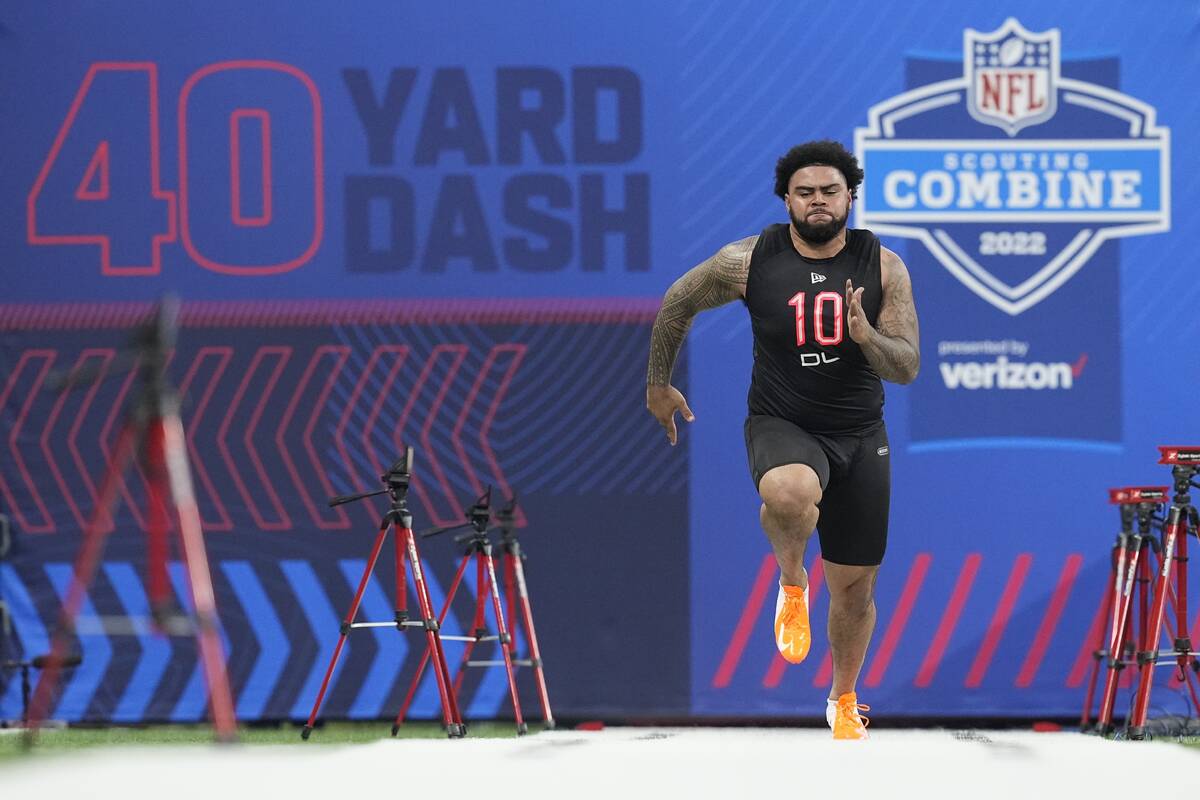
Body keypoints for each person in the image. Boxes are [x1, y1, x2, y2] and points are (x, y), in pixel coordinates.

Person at [645, 140, 920, 740]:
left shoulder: (884, 265)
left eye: (829, 191)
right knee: (790, 492)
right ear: (786, 200)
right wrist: (658, 384)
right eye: (804, 193)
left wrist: (866, 337)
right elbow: (676, 303)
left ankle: (843, 698)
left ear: (850, 196)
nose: (817, 202)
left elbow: (906, 367)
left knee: (855, 588)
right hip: (782, 421)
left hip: (859, 433)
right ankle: (792, 582)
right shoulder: (747, 260)